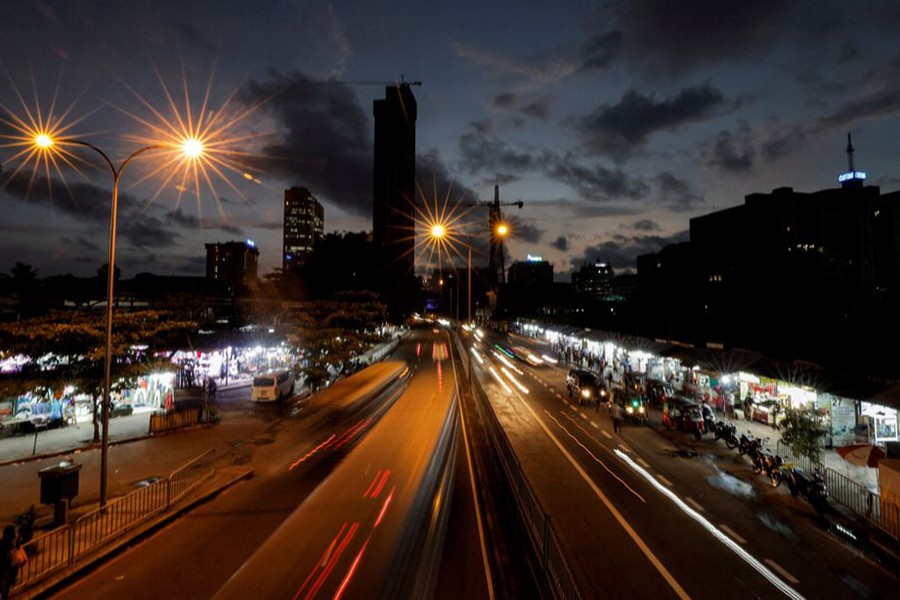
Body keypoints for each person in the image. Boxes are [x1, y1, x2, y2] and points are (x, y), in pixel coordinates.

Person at [1, 524, 24, 600]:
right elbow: (19, 561)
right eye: (16, 532)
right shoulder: (9, 547)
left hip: (7, 577)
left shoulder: (9, 544)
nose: (18, 534)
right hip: (5, 577)